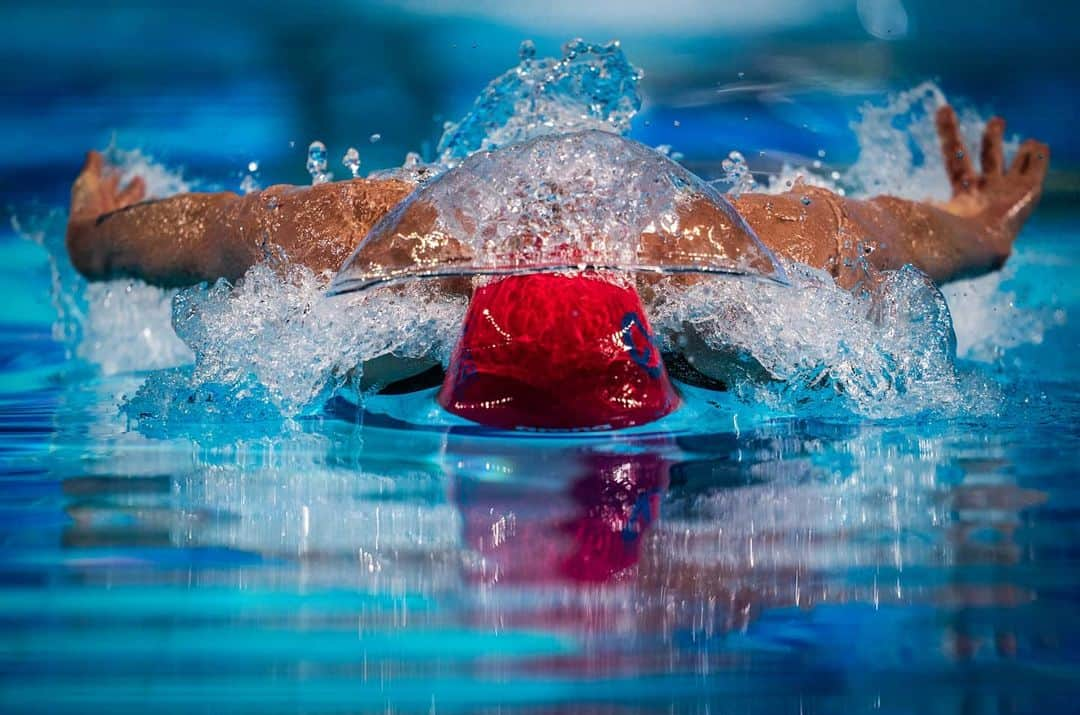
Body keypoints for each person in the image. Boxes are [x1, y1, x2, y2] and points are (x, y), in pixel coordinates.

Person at [62, 107, 1049, 427]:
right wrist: (102, 245)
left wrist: (974, 235)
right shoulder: (393, 258)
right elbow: (225, 231)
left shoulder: (715, 268)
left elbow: (868, 235)